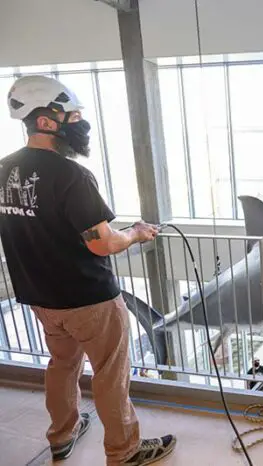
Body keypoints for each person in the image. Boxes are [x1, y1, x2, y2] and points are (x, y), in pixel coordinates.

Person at [1, 75, 177, 465]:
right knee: (110, 372)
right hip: (88, 297)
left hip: (39, 297)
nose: (80, 124)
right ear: (47, 121)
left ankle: (62, 435)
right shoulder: (71, 175)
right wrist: (136, 232)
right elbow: (102, 242)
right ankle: (124, 451)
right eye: (73, 116)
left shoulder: (3, 171)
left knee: (62, 364)